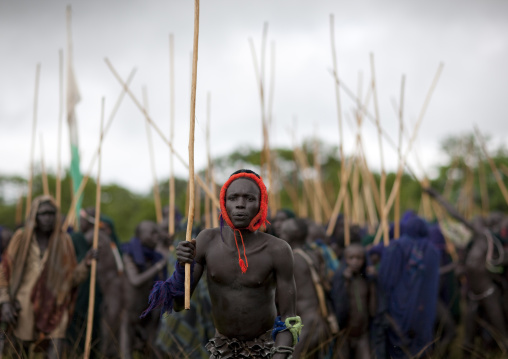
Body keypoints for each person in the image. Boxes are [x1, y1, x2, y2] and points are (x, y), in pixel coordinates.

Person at [143, 169, 298, 359]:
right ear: (224, 203)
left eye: (249, 199)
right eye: (233, 198)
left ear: (261, 204)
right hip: (222, 348)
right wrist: (182, 265)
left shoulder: (278, 250)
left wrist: (279, 355)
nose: (240, 205)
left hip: (267, 347)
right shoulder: (207, 241)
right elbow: (178, 305)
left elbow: (288, 318)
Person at [0, 195, 95, 358]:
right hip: (24, 302)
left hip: (55, 302)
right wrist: (5, 301)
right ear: (35, 215)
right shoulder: (21, 237)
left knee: (56, 346)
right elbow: (5, 270)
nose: (48, 218)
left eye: (51, 213)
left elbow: (70, 279)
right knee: (20, 349)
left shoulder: (64, 241)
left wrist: (85, 264)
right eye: (43, 213)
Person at [374, 215, 439, 359]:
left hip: (396, 307)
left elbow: (385, 280)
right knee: (418, 347)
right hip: (422, 310)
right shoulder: (431, 250)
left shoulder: (395, 246)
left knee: (397, 346)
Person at [279, 217, 333, 358]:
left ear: (295, 233)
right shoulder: (313, 254)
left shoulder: (292, 259)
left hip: (306, 325)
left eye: (284, 232)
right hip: (318, 320)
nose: (280, 234)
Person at [120, 220, 168, 359]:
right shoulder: (129, 254)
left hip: (148, 310)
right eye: (152, 233)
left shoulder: (154, 255)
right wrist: (158, 267)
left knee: (151, 347)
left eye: (157, 233)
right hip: (130, 312)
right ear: (141, 235)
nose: (156, 236)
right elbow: (135, 280)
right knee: (126, 351)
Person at [332, 243, 376, 359]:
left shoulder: (365, 279)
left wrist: (373, 281)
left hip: (362, 334)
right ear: (345, 259)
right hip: (344, 334)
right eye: (351, 258)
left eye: (359, 258)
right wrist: (345, 282)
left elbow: (373, 310)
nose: (355, 262)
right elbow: (338, 304)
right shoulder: (339, 278)